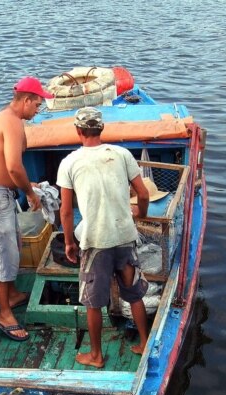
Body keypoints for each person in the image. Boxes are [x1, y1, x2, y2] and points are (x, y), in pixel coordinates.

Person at [58, 107, 152, 368]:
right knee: (134, 294)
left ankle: (96, 355)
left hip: (95, 241)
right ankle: (144, 342)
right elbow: (143, 194)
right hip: (124, 236)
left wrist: (68, 242)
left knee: (93, 302)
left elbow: (66, 211)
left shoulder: (69, 162)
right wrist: (139, 214)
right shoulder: (121, 154)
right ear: (101, 129)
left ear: (78, 131)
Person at [0, 76, 55, 342]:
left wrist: (24, 184)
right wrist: (30, 193)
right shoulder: (10, 122)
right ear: (27, 100)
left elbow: (8, 169)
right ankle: (4, 313)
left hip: (0, 193)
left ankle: (12, 293)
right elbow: (13, 166)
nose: (38, 110)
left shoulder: (10, 120)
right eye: (38, 104)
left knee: (12, 246)